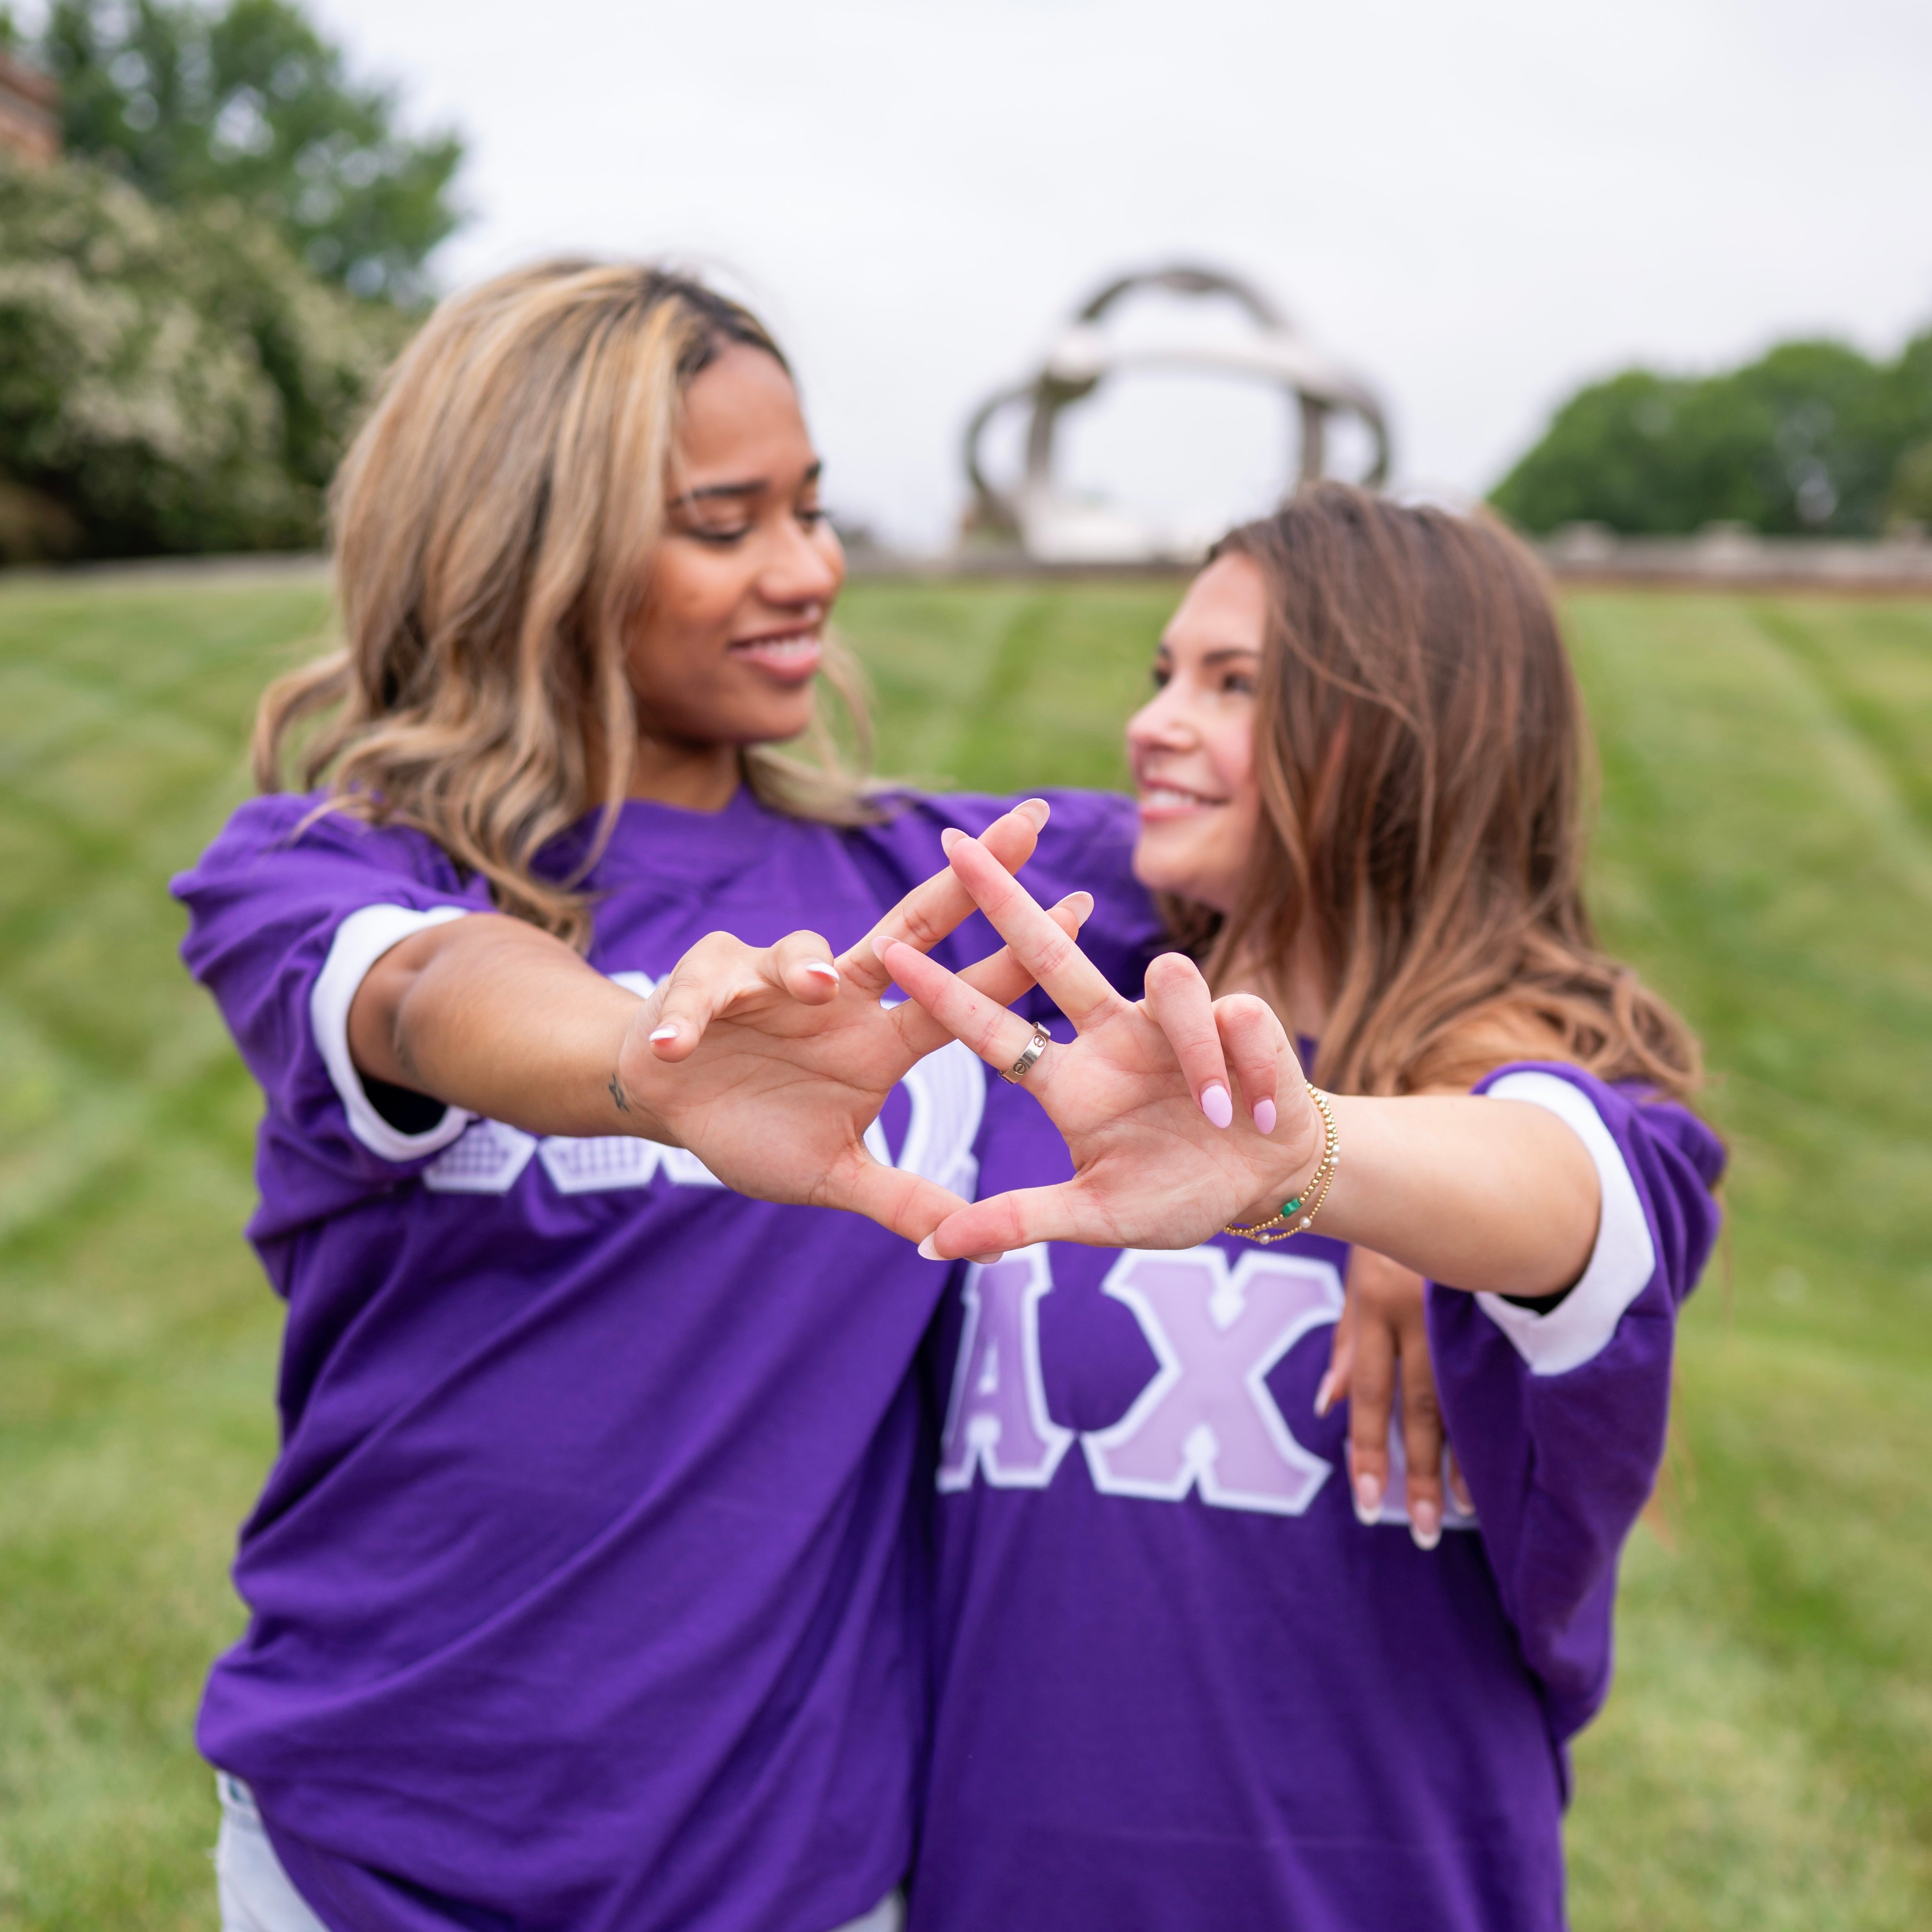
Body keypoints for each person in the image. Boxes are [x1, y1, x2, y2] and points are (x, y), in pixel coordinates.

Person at [171, 260, 1164, 1932]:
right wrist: (643, 1068)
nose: (809, 570)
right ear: (528, 552)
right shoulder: (323, 871)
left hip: (788, 1867)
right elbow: (421, 990)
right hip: (376, 1854)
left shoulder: (933, 881)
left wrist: (1342, 1185)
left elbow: (1349, 856)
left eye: (813, 509)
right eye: (726, 524)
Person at [865, 488, 1727, 1930]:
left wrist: (1322, 1154)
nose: (1153, 722)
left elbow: (1567, 1188)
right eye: (1162, 675)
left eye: (1235, 684)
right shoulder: (1096, 1030)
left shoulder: (1544, 1117)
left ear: (1409, 737)